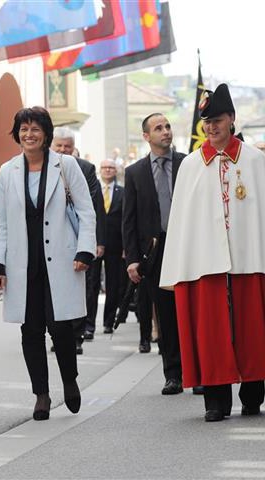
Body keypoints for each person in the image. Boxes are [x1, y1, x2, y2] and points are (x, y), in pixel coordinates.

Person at [160, 84, 265, 422]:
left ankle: (252, 395)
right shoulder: (191, 165)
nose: (211, 127)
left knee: (252, 330)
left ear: (232, 119)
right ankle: (216, 402)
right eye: (207, 122)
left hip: (249, 260)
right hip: (205, 264)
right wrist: (177, 266)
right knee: (212, 333)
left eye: (217, 120)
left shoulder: (256, 161)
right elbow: (180, 223)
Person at [0, 107, 96, 421]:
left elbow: (86, 212)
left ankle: (70, 380)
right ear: (17, 134)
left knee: (61, 328)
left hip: (62, 259)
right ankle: (41, 394)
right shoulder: (7, 171)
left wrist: (85, 250)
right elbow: (1, 223)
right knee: (31, 330)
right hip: (24, 262)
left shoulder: (67, 166)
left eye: (35, 129)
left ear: (46, 134)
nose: (29, 135)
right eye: (23, 129)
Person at [122, 113, 185, 395]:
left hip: (186, 246)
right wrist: (133, 258)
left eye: (168, 126)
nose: (166, 131)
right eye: (158, 128)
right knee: (167, 315)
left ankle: (199, 374)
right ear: (146, 136)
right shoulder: (135, 172)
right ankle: (173, 375)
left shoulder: (188, 164)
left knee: (191, 312)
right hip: (155, 252)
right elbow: (129, 219)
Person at [50, 127, 105, 350]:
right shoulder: (42, 167)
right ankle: (59, 336)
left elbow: (93, 207)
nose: (63, 150)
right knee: (56, 288)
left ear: (74, 149)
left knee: (82, 286)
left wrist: (96, 241)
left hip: (78, 236)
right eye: (59, 146)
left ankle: (78, 334)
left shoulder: (86, 169)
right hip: (52, 238)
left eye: (67, 147)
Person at [99, 159, 127, 336]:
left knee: (113, 284)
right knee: (91, 284)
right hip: (95, 244)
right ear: (100, 170)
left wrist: (126, 246)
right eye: (105, 168)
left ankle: (109, 322)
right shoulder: (93, 190)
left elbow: (126, 220)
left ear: (116, 171)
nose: (108, 170)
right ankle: (88, 325)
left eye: (111, 168)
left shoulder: (122, 192)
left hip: (116, 245)